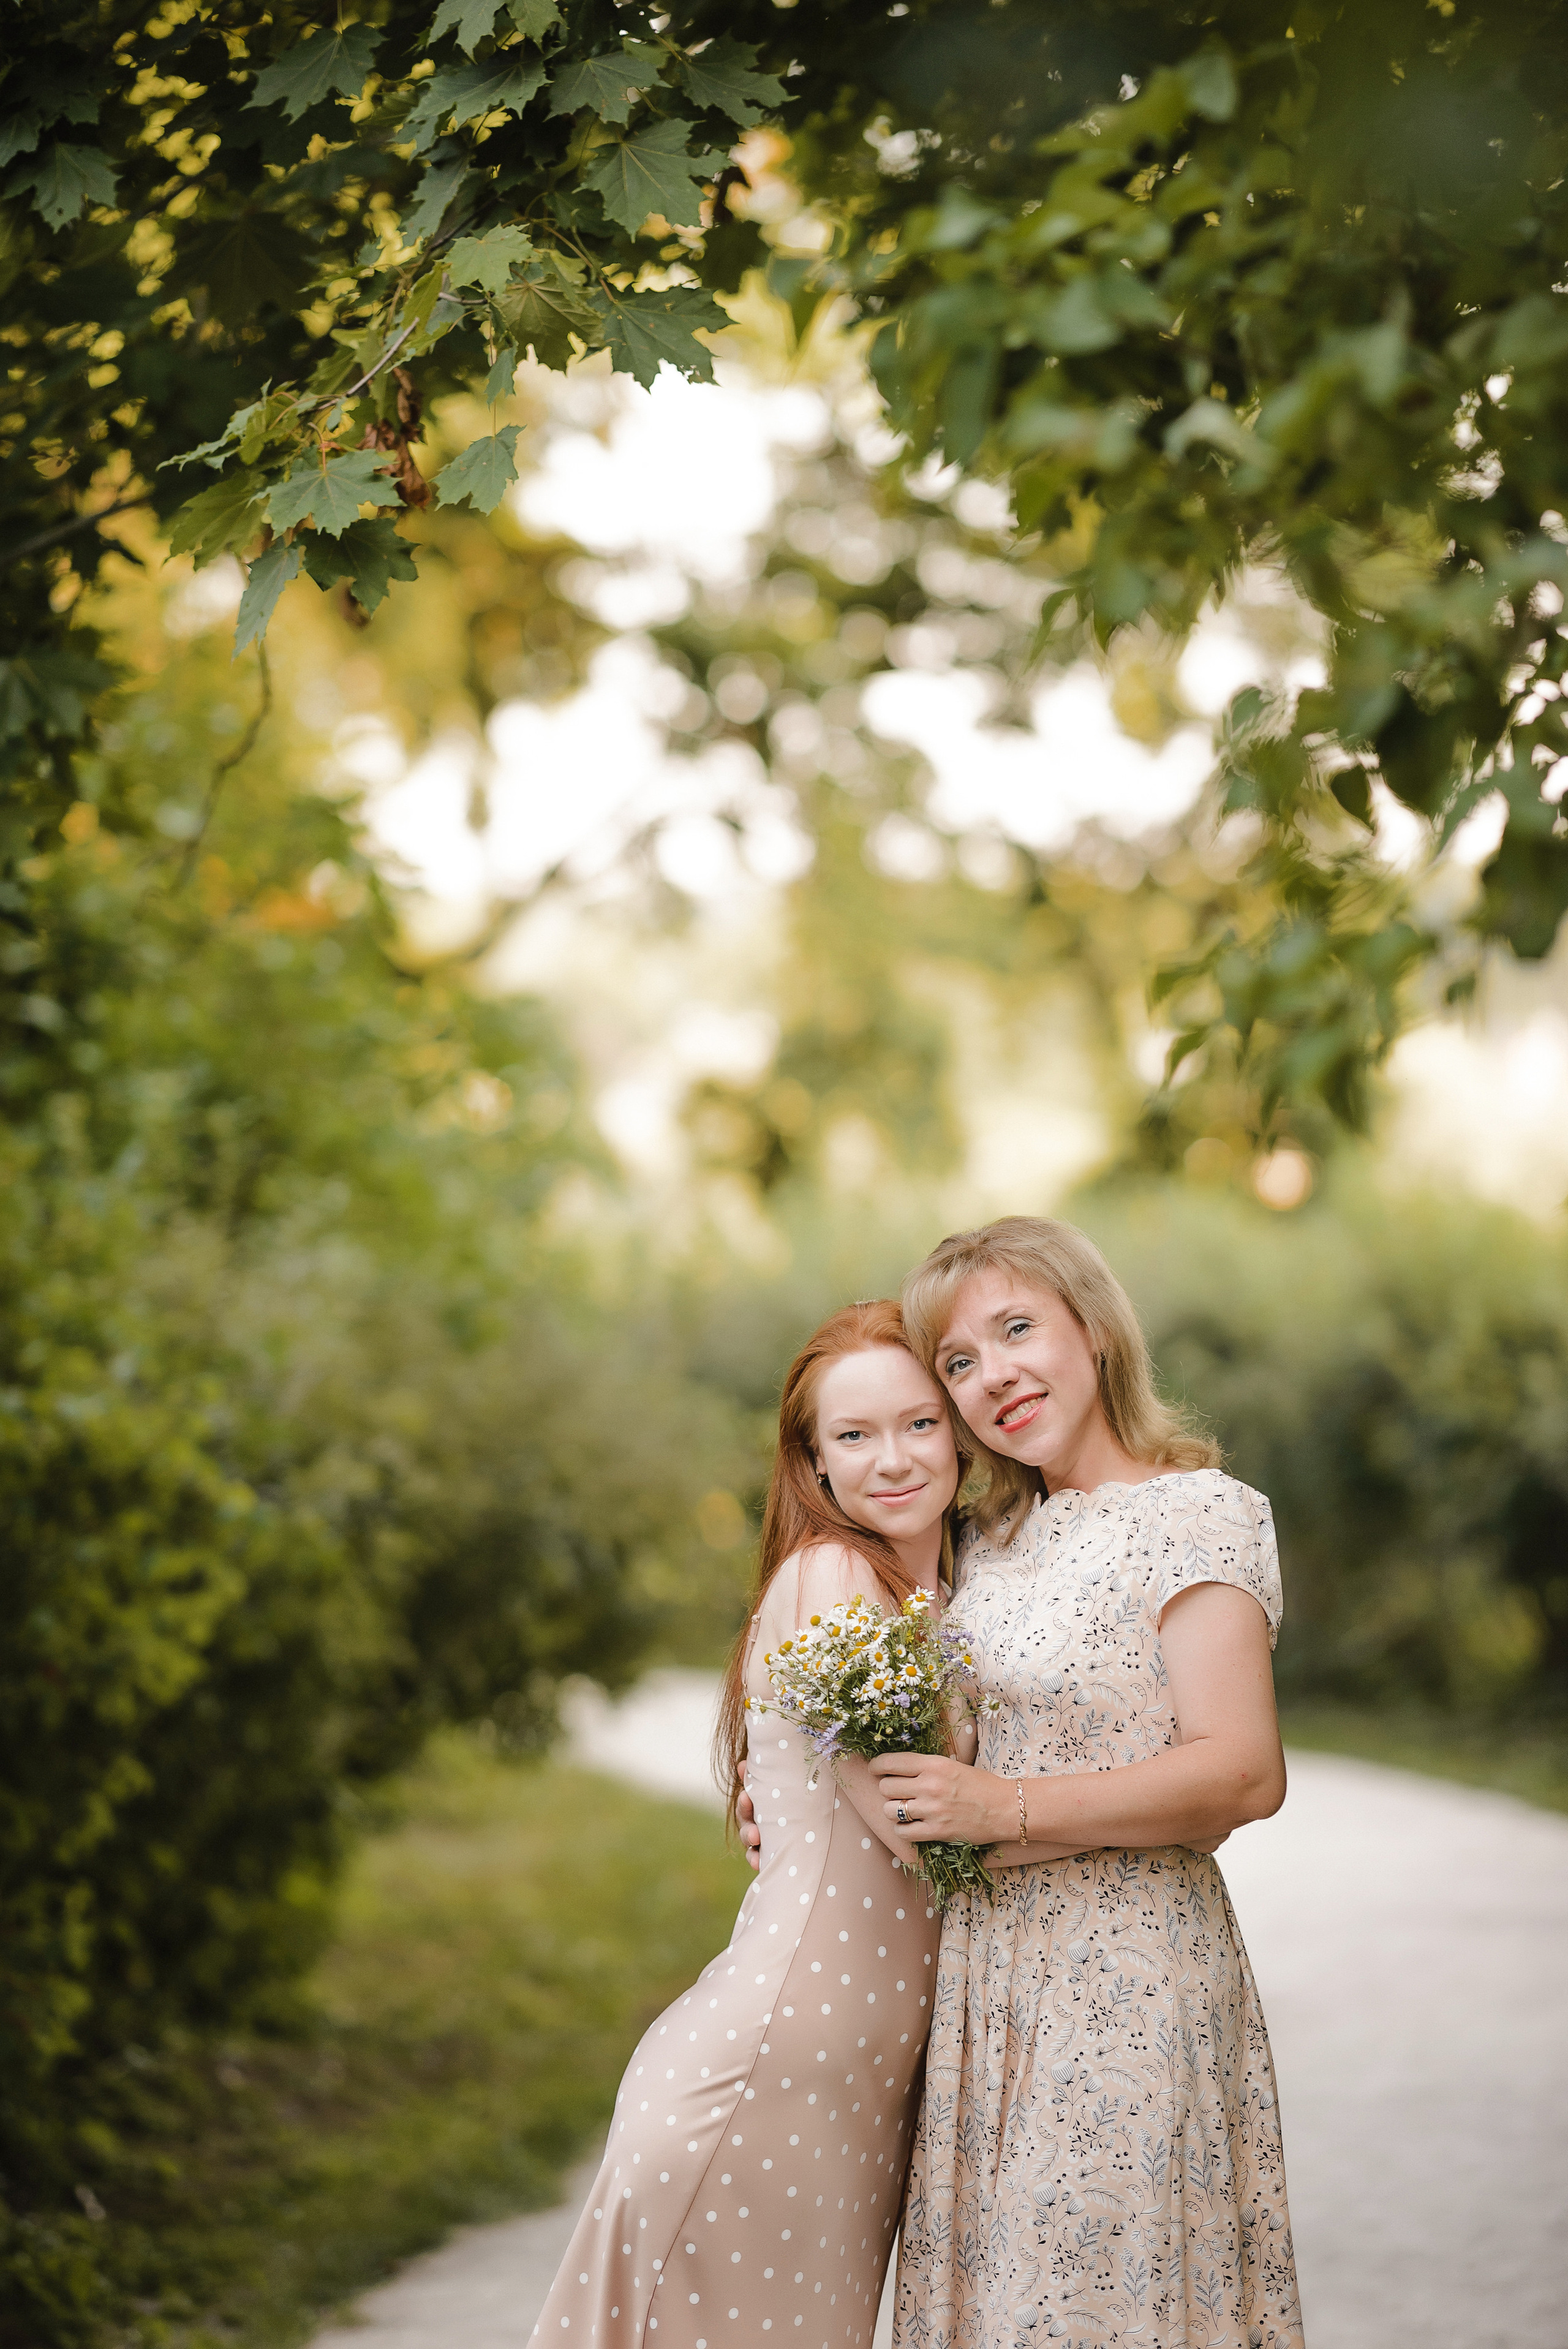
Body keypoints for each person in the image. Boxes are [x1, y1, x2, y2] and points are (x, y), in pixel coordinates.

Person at [867, 1216, 1304, 2349]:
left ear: (1094, 1331)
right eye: (959, 1362)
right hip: (984, 1985)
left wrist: (1002, 1811)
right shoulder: (989, 1539)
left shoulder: (1197, 1512)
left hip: (1125, 1977)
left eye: (1018, 1329)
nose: (993, 1375)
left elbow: (1243, 1770)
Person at [530, 1300, 974, 2349]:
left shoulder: (941, 1590)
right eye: (854, 1436)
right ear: (814, 1466)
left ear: (959, 1428)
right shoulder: (833, 1576)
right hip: (775, 2070)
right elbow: (934, 1831)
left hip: (852, 2085)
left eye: (918, 1422)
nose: (894, 1459)